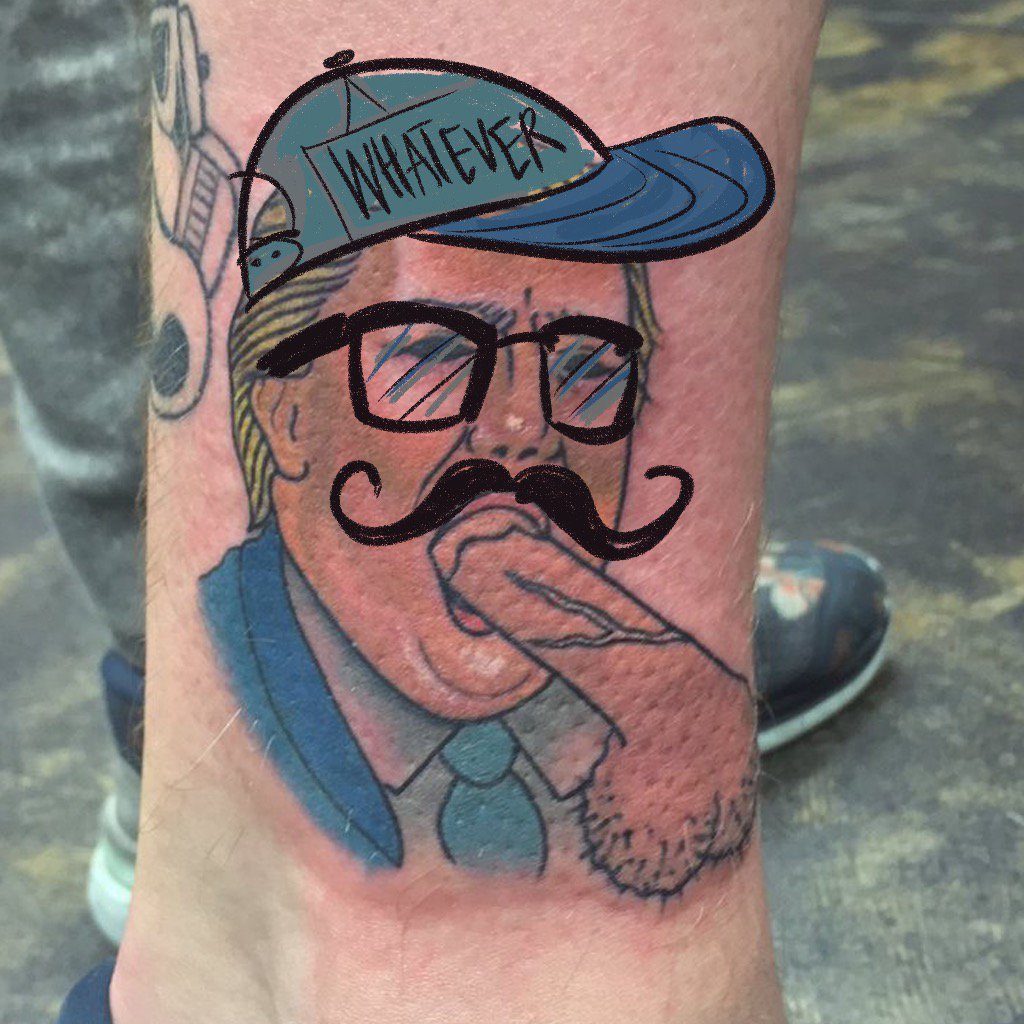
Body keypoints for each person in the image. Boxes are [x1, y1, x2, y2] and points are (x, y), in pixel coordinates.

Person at [0, 0, 885, 1020]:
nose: (525, 432)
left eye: (587, 365)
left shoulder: (612, 705)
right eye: (429, 354)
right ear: (284, 410)